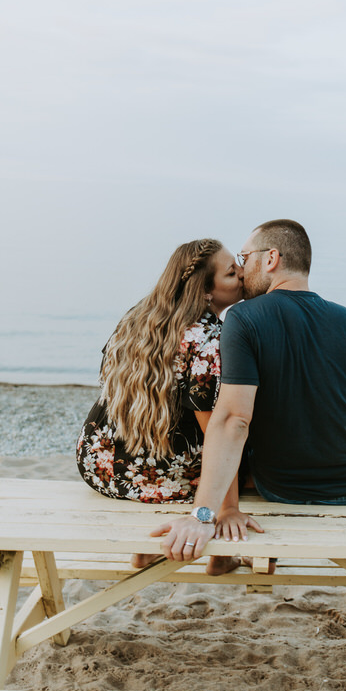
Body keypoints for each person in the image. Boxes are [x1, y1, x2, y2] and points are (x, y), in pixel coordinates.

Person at [151, 219, 346, 563]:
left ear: (270, 259)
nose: (242, 269)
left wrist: (202, 514)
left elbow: (235, 418)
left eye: (245, 257)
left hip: (277, 487)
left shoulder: (244, 319)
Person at [76, 237, 248, 573]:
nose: (241, 274)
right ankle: (222, 557)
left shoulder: (138, 316)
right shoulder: (208, 338)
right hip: (159, 479)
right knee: (242, 440)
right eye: (231, 273)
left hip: (98, 466)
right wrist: (227, 511)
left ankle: (145, 551)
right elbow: (216, 429)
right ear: (205, 291)